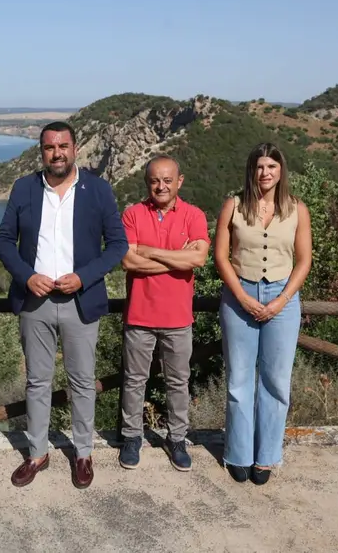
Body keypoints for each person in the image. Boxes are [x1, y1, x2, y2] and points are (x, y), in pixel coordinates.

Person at [0, 121, 128, 489]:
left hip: (80, 301)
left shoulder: (98, 190)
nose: (57, 153)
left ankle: (82, 453)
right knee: (37, 381)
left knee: (82, 382)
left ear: (75, 149)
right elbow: (4, 241)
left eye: (63, 146)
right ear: (42, 151)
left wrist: (84, 277)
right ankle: (37, 453)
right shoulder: (24, 188)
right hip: (35, 300)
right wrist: (26, 276)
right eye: (50, 147)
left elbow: (118, 245)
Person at [214, 142, 312, 485]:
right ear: (251, 170)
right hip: (239, 294)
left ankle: (267, 456)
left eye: (271, 166)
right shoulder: (234, 206)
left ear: (281, 170)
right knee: (239, 379)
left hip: (283, 299)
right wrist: (241, 296)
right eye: (259, 166)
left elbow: (304, 261)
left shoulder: (297, 209)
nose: (265, 173)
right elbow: (221, 257)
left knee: (275, 381)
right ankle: (238, 454)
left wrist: (282, 300)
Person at [118, 155, 209, 472]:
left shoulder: (194, 215)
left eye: (168, 180)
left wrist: (151, 252)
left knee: (178, 383)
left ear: (179, 181)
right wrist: (177, 258)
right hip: (139, 316)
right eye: (155, 180)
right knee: (133, 381)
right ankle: (131, 437)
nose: (161, 186)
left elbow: (198, 260)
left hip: (178, 319)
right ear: (147, 182)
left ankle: (176, 438)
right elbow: (128, 261)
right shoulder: (132, 214)